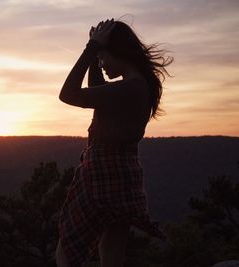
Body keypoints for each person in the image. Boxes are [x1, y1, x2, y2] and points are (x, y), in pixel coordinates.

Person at [56, 18, 173, 267]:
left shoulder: (129, 89)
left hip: (102, 171)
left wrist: (89, 50)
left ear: (119, 52)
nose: (102, 64)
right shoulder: (139, 86)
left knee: (67, 250)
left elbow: (68, 94)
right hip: (124, 173)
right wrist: (97, 51)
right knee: (111, 253)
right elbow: (99, 92)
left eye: (103, 57)